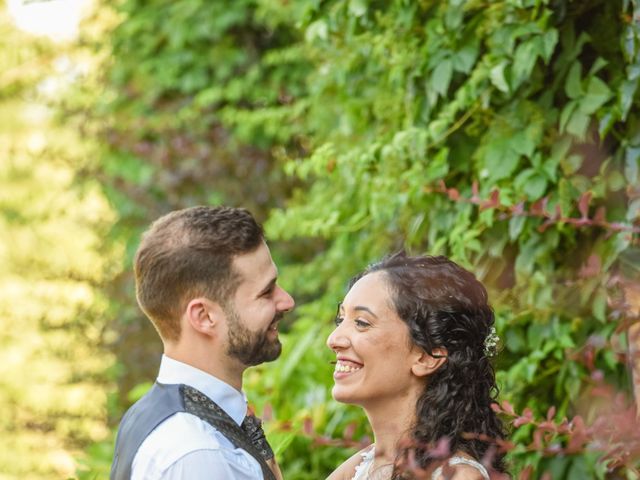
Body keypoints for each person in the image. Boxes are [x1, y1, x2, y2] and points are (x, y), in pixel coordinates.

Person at [110, 206, 295, 480]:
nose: (287, 301)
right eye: (266, 292)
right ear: (204, 316)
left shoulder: (152, 417)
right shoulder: (196, 454)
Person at [326, 252, 507, 480]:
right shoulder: (354, 471)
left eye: (361, 323)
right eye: (341, 320)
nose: (333, 339)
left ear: (426, 358)